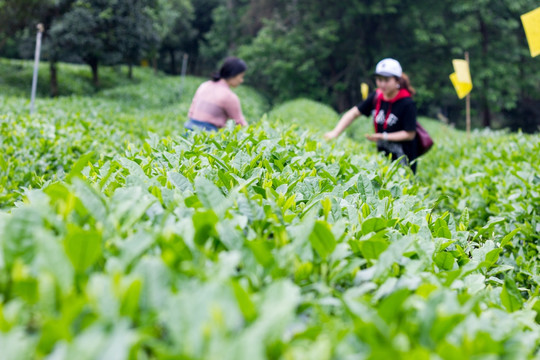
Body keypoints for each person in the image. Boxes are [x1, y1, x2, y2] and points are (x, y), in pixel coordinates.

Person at [324, 58, 419, 173]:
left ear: (397, 81)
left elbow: (410, 134)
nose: (382, 84)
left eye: (387, 80)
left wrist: (383, 137)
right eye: (379, 79)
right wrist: (336, 132)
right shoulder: (376, 97)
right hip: (383, 155)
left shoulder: (407, 103)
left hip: (404, 158)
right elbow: (353, 113)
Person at [185, 57, 248, 131]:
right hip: (206, 134)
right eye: (241, 76)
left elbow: (191, 112)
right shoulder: (229, 97)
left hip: (189, 130)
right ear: (233, 74)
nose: (241, 80)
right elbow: (240, 123)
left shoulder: (204, 85)